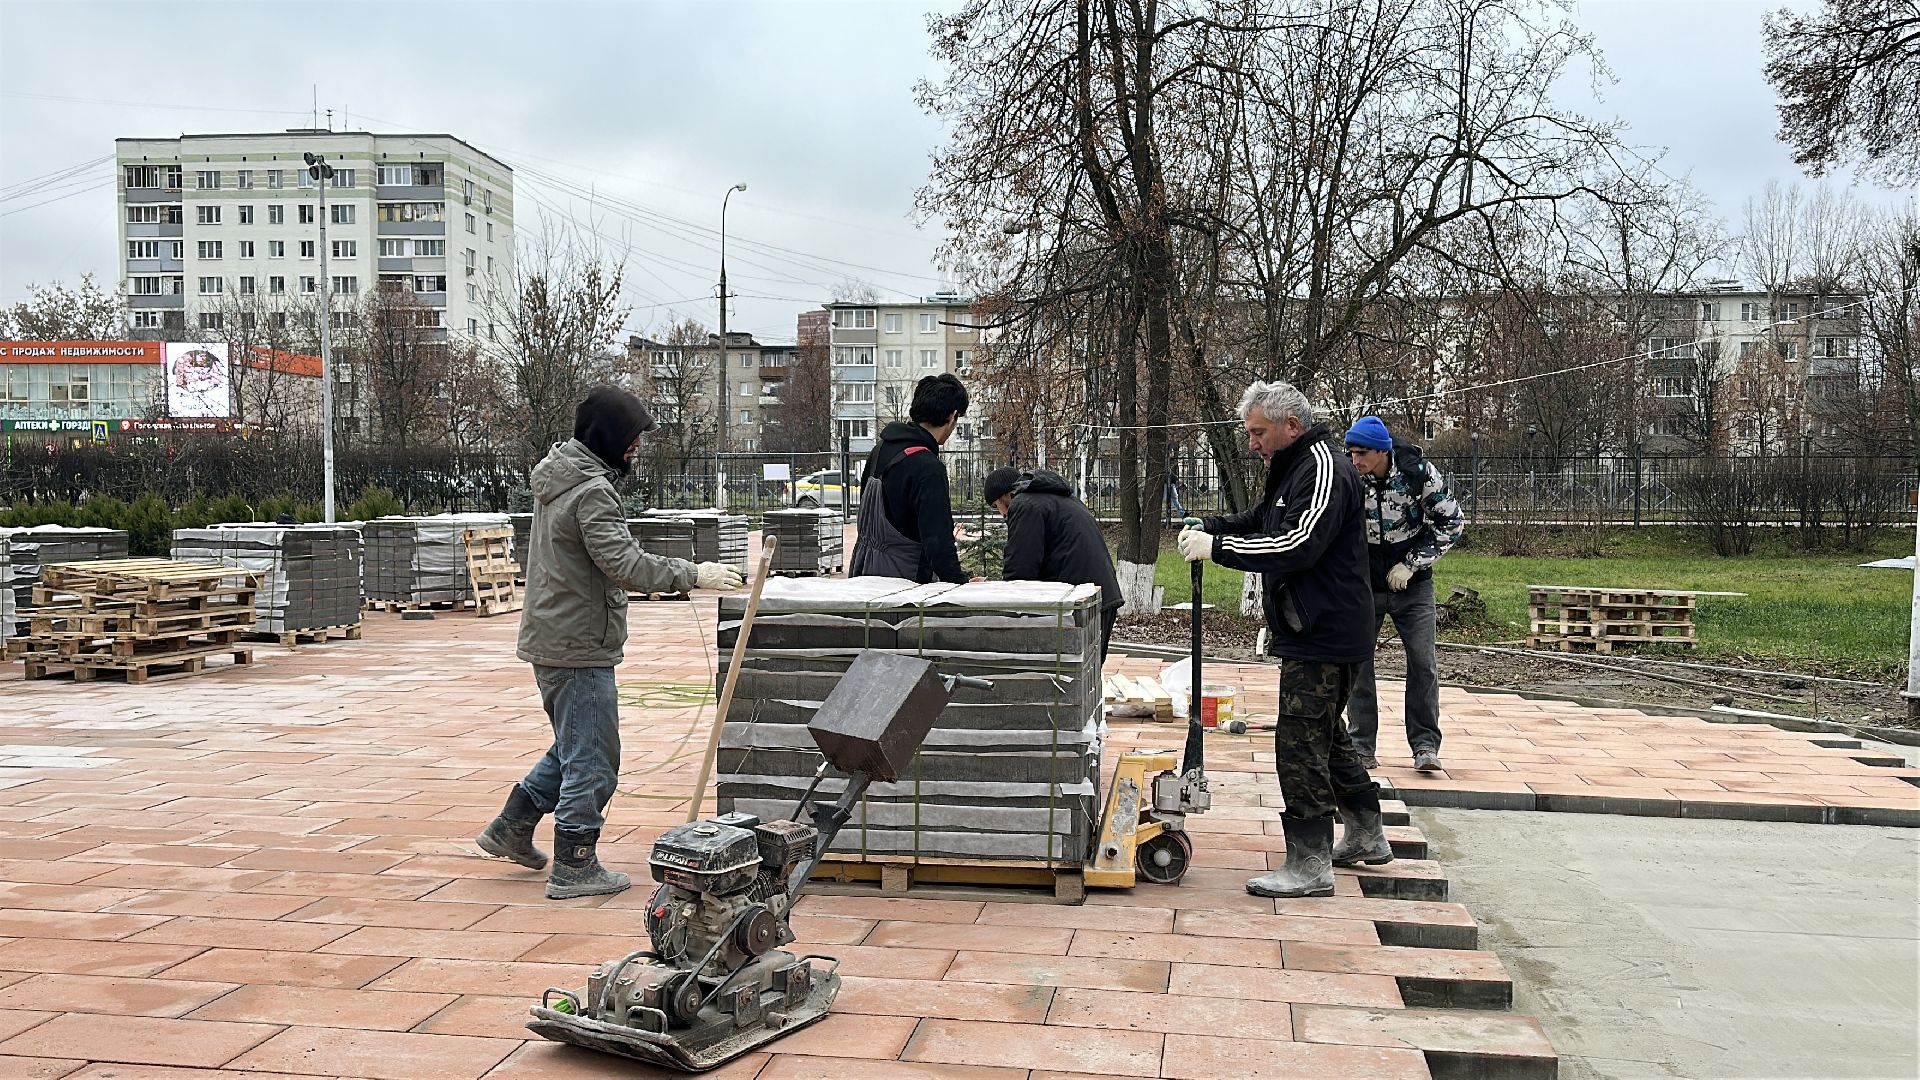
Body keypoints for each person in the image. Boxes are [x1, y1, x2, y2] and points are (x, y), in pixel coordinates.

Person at [477, 386, 745, 900]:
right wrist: (694, 573)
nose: (635, 448)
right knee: (595, 756)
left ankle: (512, 826)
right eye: (630, 438)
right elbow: (623, 564)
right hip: (577, 643)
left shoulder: (562, 479)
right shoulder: (590, 491)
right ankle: (575, 865)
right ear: (606, 437)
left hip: (556, 636)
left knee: (577, 745)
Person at [1178, 380, 1392, 898]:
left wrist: (1220, 549)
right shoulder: (1293, 464)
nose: (1251, 442)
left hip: (1324, 630)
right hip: (1318, 626)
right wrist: (1216, 525)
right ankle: (1366, 832)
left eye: (1258, 432)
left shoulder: (1321, 465)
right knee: (1327, 734)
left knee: (1298, 743)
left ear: (1290, 425)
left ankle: (1310, 861)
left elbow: (1296, 545)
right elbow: (1264, 520)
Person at [1341, 416, 1465, 773]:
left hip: (1413, 586)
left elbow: (1451, 522)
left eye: (1362, 453)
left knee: (1423, 663)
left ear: (1383, 451)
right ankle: (1361, 745)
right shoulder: (1350, 477)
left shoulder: (1418, 474)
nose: (1355, 460)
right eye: (1351, 452)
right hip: (1365, 585)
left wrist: (1412, 564)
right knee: (1358, 665)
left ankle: (1425, 745)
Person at [984, 465, 1125, 661]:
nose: (1001, 515)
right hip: (1101, 596)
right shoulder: (1062, 499)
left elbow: (1020, 571)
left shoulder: (1025, 505)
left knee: (1070, 682)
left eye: (995, 506)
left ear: (1006, 495)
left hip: (1080, 605)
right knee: (1088, 682)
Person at [848, 373, 970, 583]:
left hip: (865, 576)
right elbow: (938, 544)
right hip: (906, 587)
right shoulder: (928, 468)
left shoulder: (880, 450)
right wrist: (961, 586)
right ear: (953, 416)